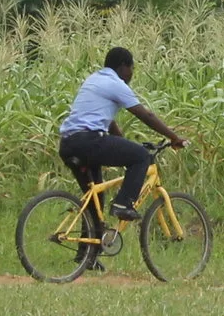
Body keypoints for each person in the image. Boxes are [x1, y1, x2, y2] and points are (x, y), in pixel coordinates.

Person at [58, 47, 186, 224]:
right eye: (132, 68)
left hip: (68, 144)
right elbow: (145, 115)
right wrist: (174, 137)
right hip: (89, 141)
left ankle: (88, 250)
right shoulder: (115, 83)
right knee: (141, 156)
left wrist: (122, 143)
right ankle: (124, 204)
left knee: (95, 205)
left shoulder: (94, 79)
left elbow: (108, 122)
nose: (131, 74)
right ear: (123, 66)